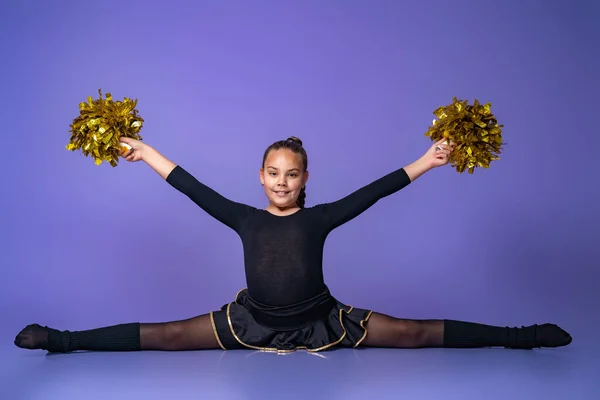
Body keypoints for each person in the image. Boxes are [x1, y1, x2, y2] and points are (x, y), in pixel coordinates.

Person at [14, 136, 572, 353]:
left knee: (411, 331)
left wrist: (429, 160)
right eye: (274, 173)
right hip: (250, 320)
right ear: (260, 177)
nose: (283, 182)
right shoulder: (243, 218)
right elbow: (188, 185)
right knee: (166, 336)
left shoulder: (321, 218)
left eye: (293, 174)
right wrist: (145, 152)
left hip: (323, 318)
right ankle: (62, 340)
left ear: (305, 180)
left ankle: (519, 336)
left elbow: (376, 191)